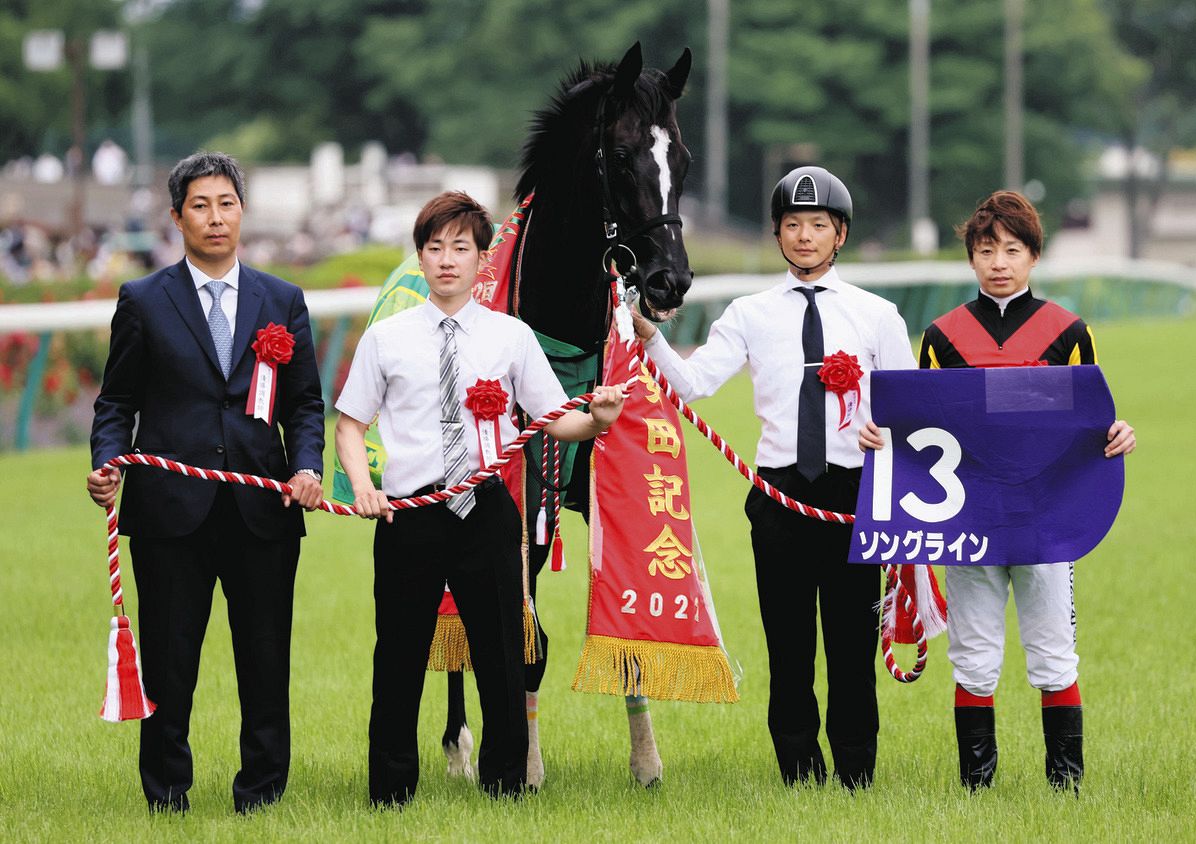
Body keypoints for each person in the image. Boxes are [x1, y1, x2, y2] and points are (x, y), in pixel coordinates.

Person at [334, 191, 625, 805]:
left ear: (481, 260)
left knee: (500, 654)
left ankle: (505, 784)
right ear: (419, 257)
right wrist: (364, 487)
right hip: (409, 515)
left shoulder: (512, 337)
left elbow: (553, 419)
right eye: (435, 248)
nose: (447, 260)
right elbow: (350, 425)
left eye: (460, 247)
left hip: (486, 511)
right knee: (399, 656)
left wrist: (596, 420)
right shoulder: (386, 339)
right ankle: (389, 789)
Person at [633, 166, 917, 789]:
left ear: (840, 234)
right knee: (788, 647)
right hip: (779, 495)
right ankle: (797, 768)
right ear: (776, 233)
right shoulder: (749, 313)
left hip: (854, 497)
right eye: (793, 225)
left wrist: (887, 436)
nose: (805, 236)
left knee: (850, 646)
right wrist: (650, 338)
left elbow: (913, 411)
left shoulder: (878, 317)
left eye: (818, 225)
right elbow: (694, 383)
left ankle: (856, 770)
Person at [859, 190, 1137, 792]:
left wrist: (1119, 434)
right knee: (975, 658)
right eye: (987, 250)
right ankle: (975, 788)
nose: (1000, 262)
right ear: (971, 259)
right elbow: (918, 429)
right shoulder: (942, 336)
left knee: (1053, 654)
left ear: (1034, 256)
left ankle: (1066, 785)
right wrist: (878, 438)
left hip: (1046, 518)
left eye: (1013, 249)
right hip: (970, 521)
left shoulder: (1070, 332)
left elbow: (1093, 420)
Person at [86, 152, 326, 813]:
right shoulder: (143, 300)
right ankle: (166, 792)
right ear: (177, 217)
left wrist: (306, 466)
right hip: (169, 516)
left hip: (262, 513)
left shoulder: (283, 300)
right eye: (200, 205)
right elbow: (115, 403)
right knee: (169, 663)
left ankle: (262, 791)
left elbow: (304, 403)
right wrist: (107, 461)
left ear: (241, 211)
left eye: (225, 203)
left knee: (264, 659)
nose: (214, 217)